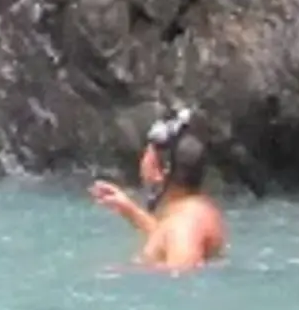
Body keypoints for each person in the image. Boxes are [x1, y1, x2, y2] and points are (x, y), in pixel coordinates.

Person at [92, 109, 227, 271]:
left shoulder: (183, 224)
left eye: (147, 153)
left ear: (159, 169)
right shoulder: (195, 210)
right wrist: (129, 210)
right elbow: (167, 239)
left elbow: (183, 273)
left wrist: (125, 271)